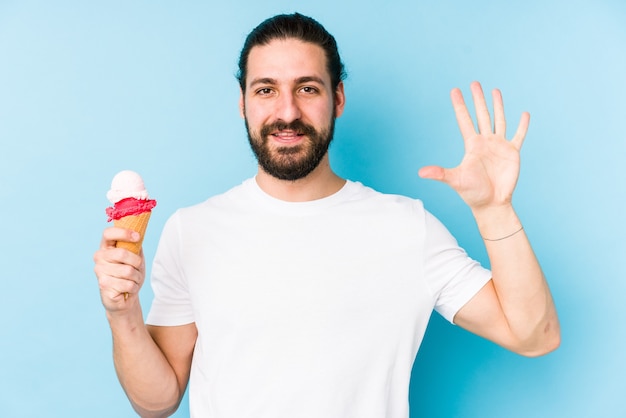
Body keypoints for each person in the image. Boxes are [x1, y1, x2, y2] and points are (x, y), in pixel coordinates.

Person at [93, 12, 560, 418]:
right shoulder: (191, 230)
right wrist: (122, 313)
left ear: (337, 99)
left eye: (307, 88)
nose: (287, 112)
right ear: (243, 103)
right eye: (266, 90)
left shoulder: (406, 228)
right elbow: (157, 402)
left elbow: (534, 335)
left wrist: (495, 210)